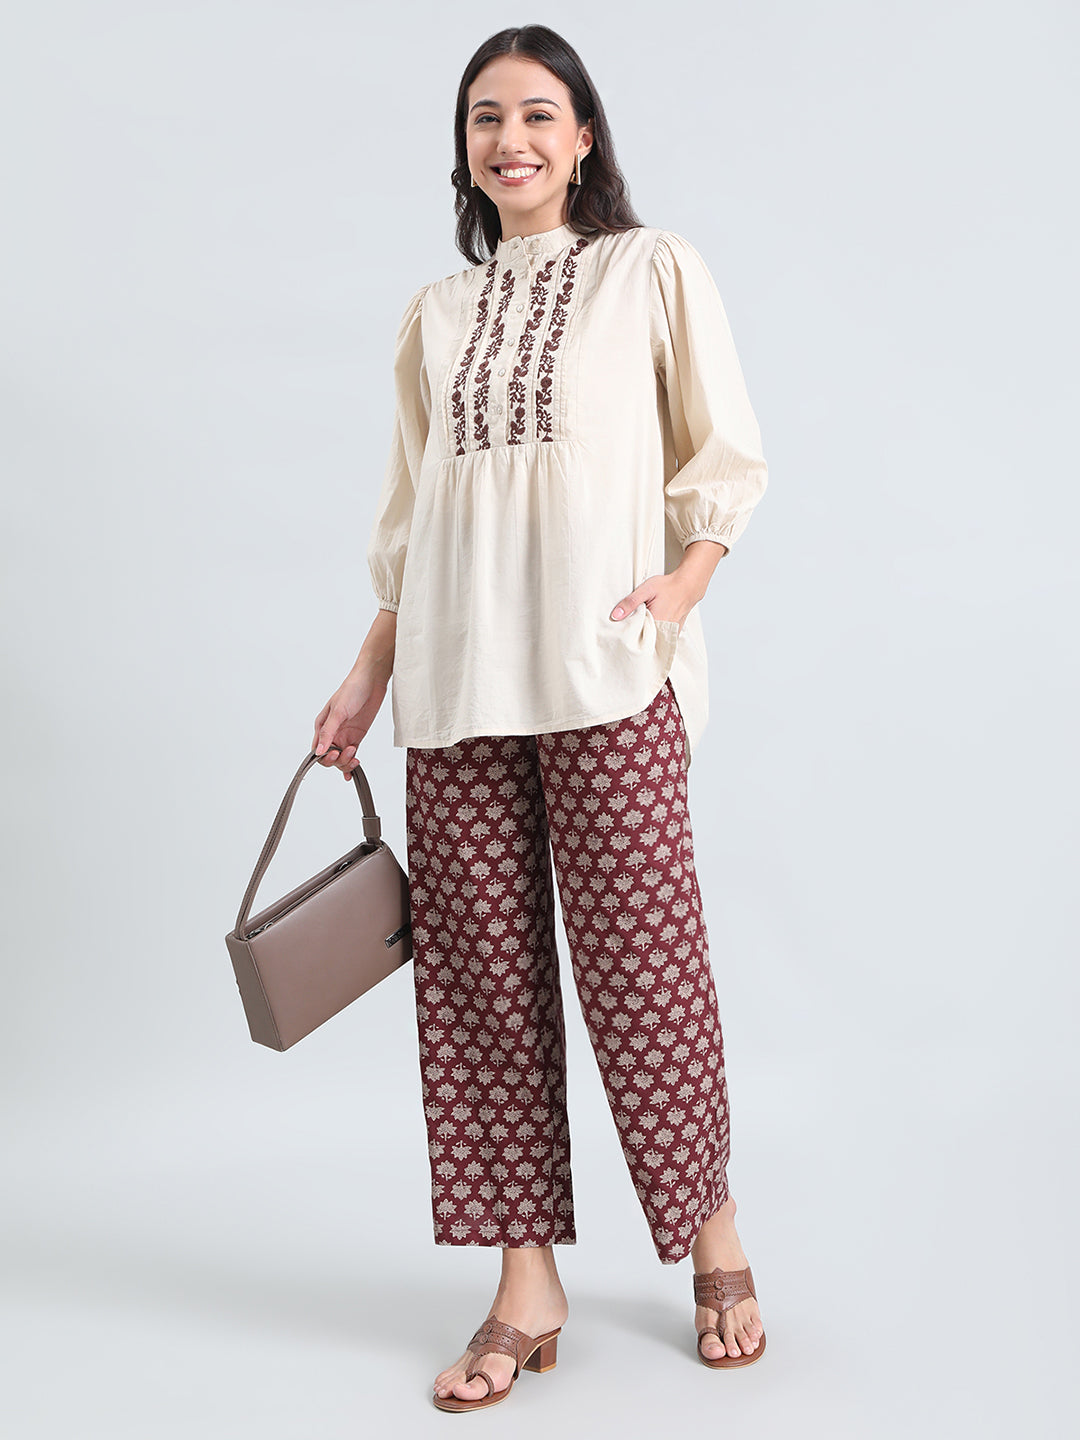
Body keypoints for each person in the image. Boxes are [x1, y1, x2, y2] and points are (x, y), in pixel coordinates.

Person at [311, 24, 769, 1412]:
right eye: (484, 119)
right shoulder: (436, 316)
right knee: (479, 990)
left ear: (582, 138)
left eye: (535, 114)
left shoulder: (649, 271)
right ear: (466, 150)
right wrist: (369, 670)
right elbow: (414, 519)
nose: (508, 139)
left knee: (646, 972)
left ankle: (713, 1235)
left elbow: (721, 451)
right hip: (455, 687)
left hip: (604, 671)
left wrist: (682, 587)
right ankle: (527, 1283)